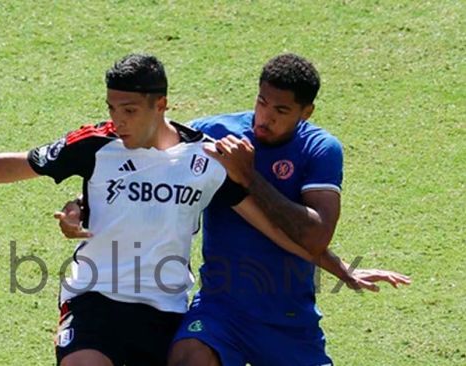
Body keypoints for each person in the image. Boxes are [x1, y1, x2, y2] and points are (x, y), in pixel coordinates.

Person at [0, 53, 329, 366]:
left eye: (130, 109)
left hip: (163, 309)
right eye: (112, 107)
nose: (119, 120)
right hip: (93, 297)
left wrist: (339, 267)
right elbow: (17, 163)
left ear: (161, 105)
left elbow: (270, 226)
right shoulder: (96, 145)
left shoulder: (205, 161)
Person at [55, 54, 411, 366]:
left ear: (307, 112)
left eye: (281, 111)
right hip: (220, 310)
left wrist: (248, 176)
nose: (264, 118)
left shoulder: (319, 149)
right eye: (261, 102)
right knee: (187, 357)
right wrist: (82, 205)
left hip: (286, 316)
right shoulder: (216, 135)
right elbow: (145, 159)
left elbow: (315, 235)